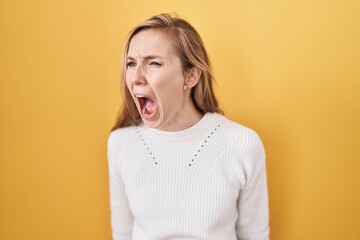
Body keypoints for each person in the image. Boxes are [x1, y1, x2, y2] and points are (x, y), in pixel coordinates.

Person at [107, 13, 269, 240]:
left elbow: (255, 236)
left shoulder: (242, 144)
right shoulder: (121, 143)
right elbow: (122, 234)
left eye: (153, 63)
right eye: (131, 63)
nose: (136, 77)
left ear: (191, 75)